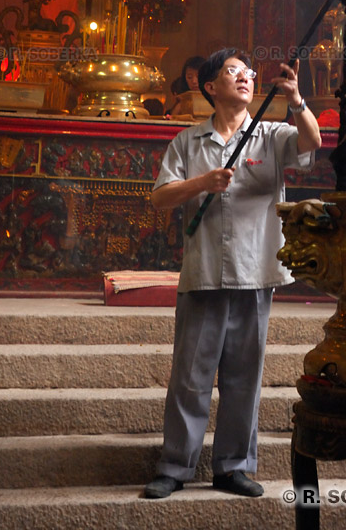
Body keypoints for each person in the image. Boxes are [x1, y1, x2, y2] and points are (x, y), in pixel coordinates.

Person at [144, 47, 321, 500]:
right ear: (209, 87)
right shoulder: (188, 141)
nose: (245, 78)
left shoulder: (271, 134)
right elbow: (161, 197)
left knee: (245, 378)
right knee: (190, 378)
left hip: (256, 271)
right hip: (203, 273)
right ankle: (175, 466)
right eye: (233, 72)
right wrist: (202, 182)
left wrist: (296, 98)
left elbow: (313, 143)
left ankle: (234, 467)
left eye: (249, 72)